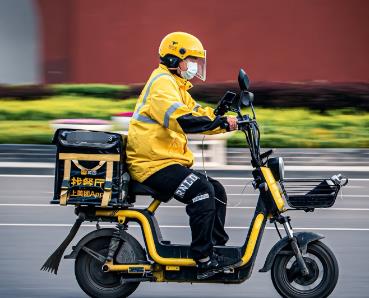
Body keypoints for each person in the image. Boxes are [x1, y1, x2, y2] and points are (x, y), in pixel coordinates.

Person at [126, 32, 240, 279]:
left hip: (165, 161)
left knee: (216, 190)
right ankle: (204, 259)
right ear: (173, 59)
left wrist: (228, 121)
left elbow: (198, 112)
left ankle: (216, 248)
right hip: (151, 164)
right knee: (201, 191)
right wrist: (215, 122)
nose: (195, 66)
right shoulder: (161, 83)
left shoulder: (177, 86)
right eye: (191, 60)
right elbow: (180, 118)